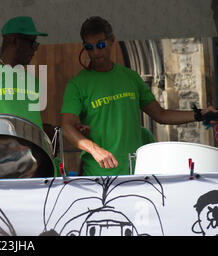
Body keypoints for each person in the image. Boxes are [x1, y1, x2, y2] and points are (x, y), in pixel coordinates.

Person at [60, 16, 218, 176]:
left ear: (112, 40)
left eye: (100, 45)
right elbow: (66, 127)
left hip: (136, 171)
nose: (95, 52)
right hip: (98, 175)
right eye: (89, 47)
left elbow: (161, 115)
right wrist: (95, 150)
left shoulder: (131, 77)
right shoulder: (77, 84)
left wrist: (199, 114)